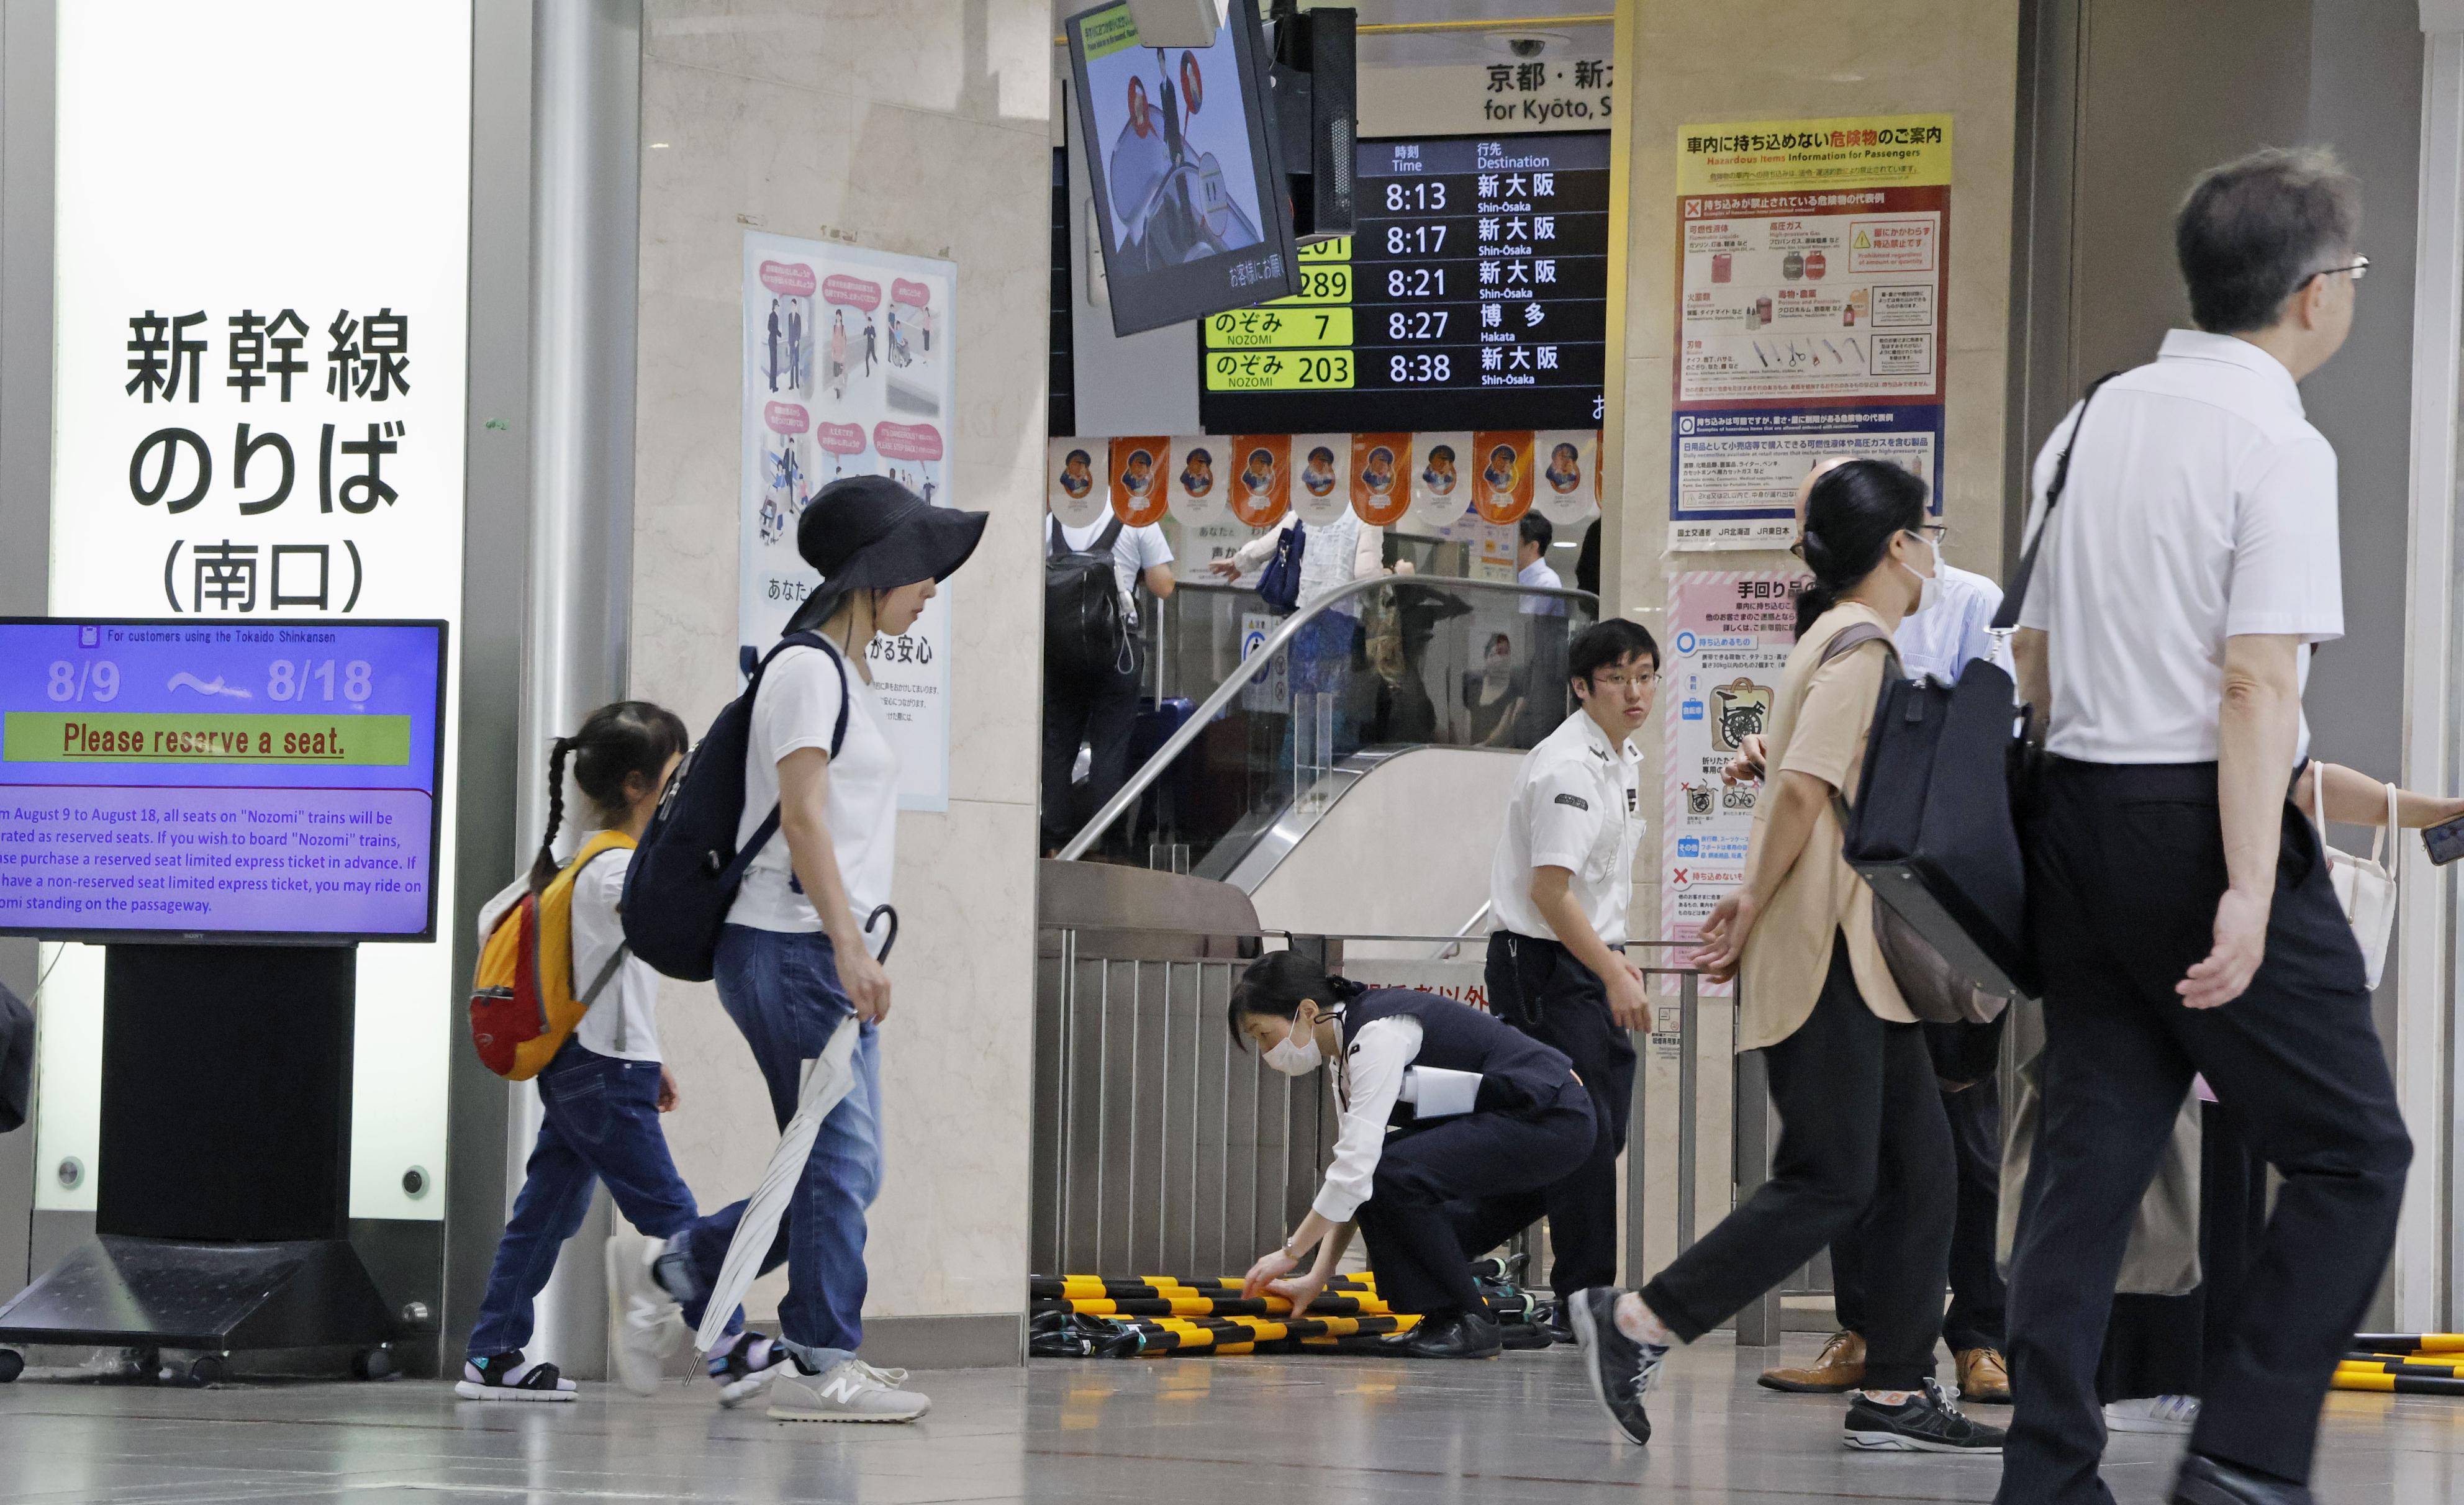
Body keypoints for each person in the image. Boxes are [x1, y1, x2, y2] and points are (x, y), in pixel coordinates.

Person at [1997, 147, 2414, 1505]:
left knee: (2092, 1157)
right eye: (2351, 273)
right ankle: (2240, 1458)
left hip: (2077, 818)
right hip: (2198, 824)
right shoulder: (2276, 443)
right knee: (2355, 1152)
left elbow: (2038, 661)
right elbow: (2256, 682)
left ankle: (2049, 1470)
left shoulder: (2092, 419)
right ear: (2312, 295)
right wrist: (2245, 888)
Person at [1569, 460, 2005, 1456]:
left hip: (1857, 956)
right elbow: (1804, 790)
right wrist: (1752, 899)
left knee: (1922, 1169)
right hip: (1828, 952)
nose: (1932, 548)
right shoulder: (1860, 649)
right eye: (1924, 530)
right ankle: (1640, 1321)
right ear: (1897, 545)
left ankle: (1895, 1393)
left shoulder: (1845, 641)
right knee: (1829, 1178)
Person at [618, 476, 986, 1424]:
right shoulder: (806, 671)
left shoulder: (836, 674)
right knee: (836, 1162)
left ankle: (687, 1263)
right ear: (873, 571)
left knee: (845, 1164)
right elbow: (803, 818)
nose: (930, 590)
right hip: (792, 951)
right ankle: (821, 1362)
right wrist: (848, 948)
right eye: (918, 570)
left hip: (807, 952)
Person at [1739, 458, 2015, 1407]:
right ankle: (1878, 1350)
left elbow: (1998, 739)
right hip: (1858, 921)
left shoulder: (1967, 602)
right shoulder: (1844, 629)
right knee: (1869, 1162)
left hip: (1937, 915)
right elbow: (1814, 769)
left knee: (1947, 1147)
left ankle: (1975, 1338)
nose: (1808, 538)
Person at [460, 701, 700, 1403]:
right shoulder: (615, 871)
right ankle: (733, 1347)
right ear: (636, 785)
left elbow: (504, 927)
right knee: (670, 1214)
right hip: (604, 1074)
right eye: (674, 776)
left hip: (577, 1064)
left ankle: (491, 1355)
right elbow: (661, 924)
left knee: (545, 1214)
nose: (678, 791)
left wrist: (646, 1053)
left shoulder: (565, 867)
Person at [1230, 952, 1597, 1359]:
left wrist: (1290, 1253)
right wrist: (1318, 1275)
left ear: (1307, 1011)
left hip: (1553, 1118)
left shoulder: (1376, 1035)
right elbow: (1352, 1177)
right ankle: (1447, 1317)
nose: (1266, 1050)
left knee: (1392, 1172)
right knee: (1387, 1178)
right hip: (1525, 1119)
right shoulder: (1345, 1059)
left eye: (1263, 1033)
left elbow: (1358, 1171)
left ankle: (1466, 1320)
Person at [1451, 617, 1656, 1328]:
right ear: (1579, 686)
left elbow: (1598, 891)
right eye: (1616, 679)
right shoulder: (1567, 765)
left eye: (1644, 676)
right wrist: (1612, 972)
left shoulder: (1619, 758)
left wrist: (1615, 963)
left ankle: (1443, 1237)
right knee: (1583, 1131)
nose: (1634, 692)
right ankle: (1584, 1299)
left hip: (1589, 957)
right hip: (1543, 962)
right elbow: (1549, 890)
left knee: (1594, 1134)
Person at [1041, 506, 1175, 854]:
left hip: (1061, 653)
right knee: (1110, 751)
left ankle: (1055, 842)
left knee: (1058, 748)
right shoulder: (1137, 516)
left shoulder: (1054, 519)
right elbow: (1164, 586)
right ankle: (1106, 843)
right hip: (1118, 654)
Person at [1210, 502, 1386, 763]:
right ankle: (1325, 780)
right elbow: (1366, 573)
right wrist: (1390, 579)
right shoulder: (1367, 514)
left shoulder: (1316, 501)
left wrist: (1239, 562)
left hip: (1306, 616)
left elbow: (1273, 541)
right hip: (1341, 620)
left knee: (1301, 706)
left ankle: (1291, 782)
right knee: (1332, 706)